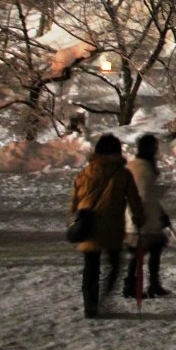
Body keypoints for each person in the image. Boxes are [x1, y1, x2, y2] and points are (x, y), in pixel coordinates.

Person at [69, 133, 145, 319]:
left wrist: (73, 220)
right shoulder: (123, 174)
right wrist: (139, 220)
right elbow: (134, 201)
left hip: (88, 226)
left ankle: (90, 306)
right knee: (115, 265)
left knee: (90, 268)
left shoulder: (84, 173)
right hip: (112, 227)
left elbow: (74, 202)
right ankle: (104, 298)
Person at [123, 133, 172, 299]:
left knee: (145, 252)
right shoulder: (144, 168)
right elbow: (144, 194)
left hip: (140, 218)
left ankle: (141, 285)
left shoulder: (133, 166)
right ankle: (141, 285)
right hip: (144, 219)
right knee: (146, 251)